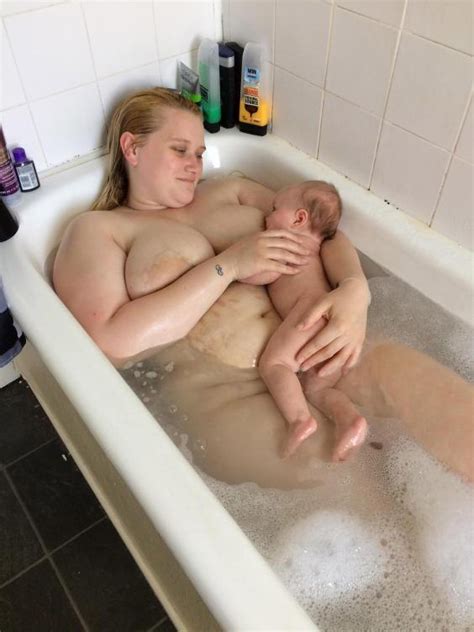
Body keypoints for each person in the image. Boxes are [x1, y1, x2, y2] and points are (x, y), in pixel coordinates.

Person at [53, 87, 473, 489]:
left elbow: (320, 229)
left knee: (461, 421)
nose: (194, 165)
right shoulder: (98, 230)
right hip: (232, 392)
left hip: (330, 348)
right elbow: (108, 342)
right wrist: (230, 264)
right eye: (179, 150)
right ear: (133, 148)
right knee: (357, 493)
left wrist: (353, 289)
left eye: (199, 153)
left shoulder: (230, 190)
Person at [243, 181, 368, 461]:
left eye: (275, 209)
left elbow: (262, 273)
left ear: (299, 219)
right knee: (318, 387)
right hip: (335, 324)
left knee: (275, 364)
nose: (267, 215)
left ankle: (299, 420)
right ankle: (350, 420)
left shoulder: (287, 243)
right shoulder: (319, 250)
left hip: (307, 312)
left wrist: (240, 271)